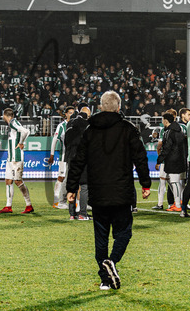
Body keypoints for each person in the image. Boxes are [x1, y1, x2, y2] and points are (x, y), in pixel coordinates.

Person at [66, 91, 152, 291]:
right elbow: (140, 157)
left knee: (101, 237)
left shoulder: (90, 130)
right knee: (124, 233)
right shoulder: (128, 129)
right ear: (119, 107)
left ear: (101, 107)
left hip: (98, 193)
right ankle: (112, 262)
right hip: (122, 192)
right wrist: (145, 184)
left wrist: (72, 187)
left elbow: (78, 160)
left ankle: (105, 279)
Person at [0, 108, 33, 214]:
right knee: (8, 180)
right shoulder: (13, 123)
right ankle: (8, 206)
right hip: (10, 158)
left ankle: (29, 205)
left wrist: (21, 142)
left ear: (5, 115)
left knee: (18, 181)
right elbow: (26, 131)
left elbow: (25, 131)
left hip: (16, 158)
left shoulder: (12, 122)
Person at [154, 110, 186, 212]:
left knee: (174, 182)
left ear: (166, 120)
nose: (162, 121)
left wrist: (159, 160)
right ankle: (178, 203)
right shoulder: (179, 130)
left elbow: (166, 148)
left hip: (173, 160)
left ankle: (177, 204)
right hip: (180, 159)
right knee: (175, 182)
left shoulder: (168, 132)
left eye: (163, 120)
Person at [64, 107, 91, 220]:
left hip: (71, 157)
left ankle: (72, 214)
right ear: (87, 115)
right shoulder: (88, 124)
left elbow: (66, 140)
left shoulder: (70, 123)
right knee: (84, 185)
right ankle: (83, 214)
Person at [48, 106, 75, 209]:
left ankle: (73, 201)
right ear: (66, 114)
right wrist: (52, 154)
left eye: (73, 113)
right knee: (61, 177)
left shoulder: (75, 125)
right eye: (70, 113)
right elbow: (55, 140)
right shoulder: (61, 126)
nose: (71, 115)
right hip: (64, 155)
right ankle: (56, 201)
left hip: (73, 156)